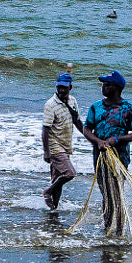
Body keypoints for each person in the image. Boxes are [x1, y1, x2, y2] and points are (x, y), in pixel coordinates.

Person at [85, 70, 132, 237]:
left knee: (116, 194)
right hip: (100, 157)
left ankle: (118, 231)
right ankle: (107, 228)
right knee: (106, 193)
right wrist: (98, 141)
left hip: (120, 158)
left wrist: (116, 140)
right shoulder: (96, 107)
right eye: (103, 83)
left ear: (117, 88)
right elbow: (87, 128)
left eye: (108, 84)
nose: (104, 86)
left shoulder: (128, 108)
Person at [41, 71, 80, 212]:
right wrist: (46, 151)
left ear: (70, 87)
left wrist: (91, 137)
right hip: (54, 146)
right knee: (70, 173)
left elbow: (77, 121)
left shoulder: (72, 101)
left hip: (65, 145)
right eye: (59, 87)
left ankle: (53, 210)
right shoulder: (50, 105)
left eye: (64, 87)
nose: (61, 90)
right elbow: (45, 129)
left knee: (58, 180)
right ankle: (47, 192)